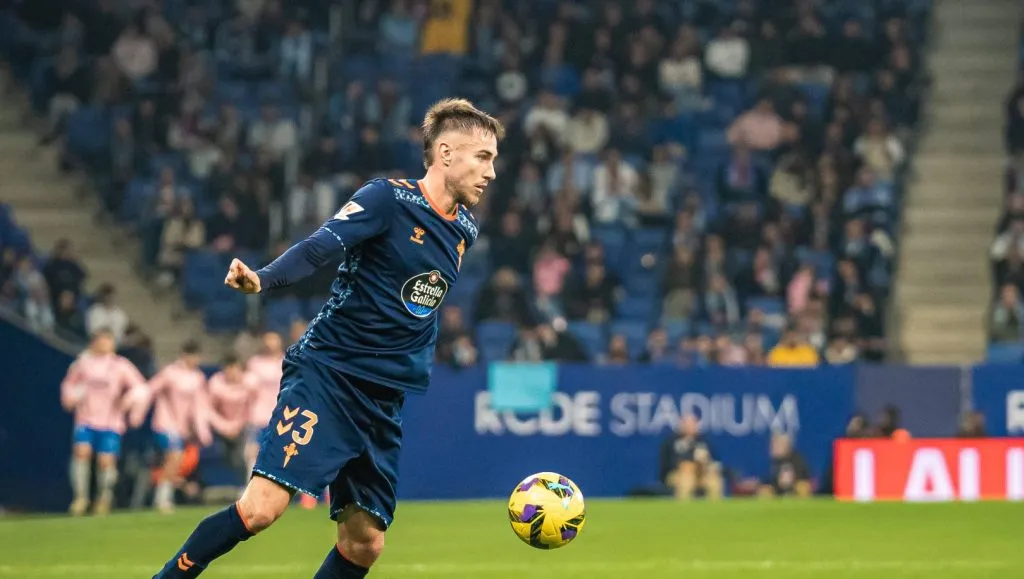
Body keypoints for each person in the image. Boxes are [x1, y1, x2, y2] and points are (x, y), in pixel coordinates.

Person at [152, 98, 503, 578]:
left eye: (494, 159)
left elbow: (414, 304)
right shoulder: (387, 199)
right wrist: (264, 278)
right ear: (444, 153)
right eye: (483, 156)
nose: (492, 171)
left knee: (364, 545)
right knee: (260, 509)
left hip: (384, 397)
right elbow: (320, 246)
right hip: (331, 375)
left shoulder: (464, 228)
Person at [60, 328, 147, 516]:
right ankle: (80, 498)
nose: (105, 344)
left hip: (111, 422)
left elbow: (140, 387)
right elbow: (68, 386)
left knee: (106, 461)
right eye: (102, 340)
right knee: (81, 453)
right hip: (86, 418)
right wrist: (72, 397)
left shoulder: (120, 365)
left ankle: (104, 498)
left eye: (108, 340)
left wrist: (129, 401)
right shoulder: (83, 363)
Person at [132, 340, 212, 514]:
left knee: (176, 461)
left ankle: (163, 496)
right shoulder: (169, 373)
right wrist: (137, 414)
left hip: (181, 427)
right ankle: (161, 498)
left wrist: (202, 431)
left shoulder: (197, 378)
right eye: (190, 356)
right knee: (174, 457)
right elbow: (150, 390)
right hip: (164, 423)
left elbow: (199, 408)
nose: (193, 359)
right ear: (184, 355)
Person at [206, 354, 257, 488]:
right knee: (233, 461)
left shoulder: (250, 382)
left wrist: (238, 425)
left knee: (248, 454)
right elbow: (209, 409)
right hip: (223, 429)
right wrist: (224, 427)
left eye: (235, 368)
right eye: (228, 369)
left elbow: (252, 407)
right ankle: (243, 484)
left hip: (244, 426)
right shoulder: (216, 383)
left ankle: (249, 490)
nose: (232, 372)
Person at [243, 331, 285, 480]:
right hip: (258, 415)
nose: (270, 344)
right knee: (253, 452)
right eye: (268, 341)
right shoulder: (255, 363)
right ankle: (251, 483)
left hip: (280, 414)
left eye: (273, 341)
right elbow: (248, 386)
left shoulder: (285, 361)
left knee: (279, 452)